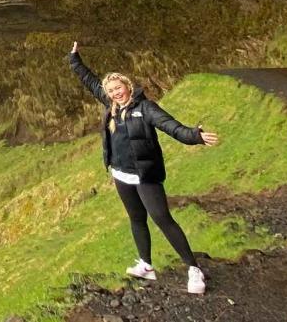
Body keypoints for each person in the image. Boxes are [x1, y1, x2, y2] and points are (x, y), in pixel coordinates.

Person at [68, 41, 220, 295]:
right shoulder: (111, 107)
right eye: (111, 90)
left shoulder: (146, 108)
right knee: (137, 219)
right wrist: (75, 60)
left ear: (129, 87)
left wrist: (195, 135)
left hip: (145, 176)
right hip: (120, 174)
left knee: (162, 219)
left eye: (119, 88)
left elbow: (171, 126)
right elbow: (90, 81)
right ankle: (146, 265)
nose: (115, 93)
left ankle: (193, 269)